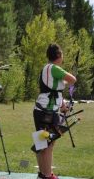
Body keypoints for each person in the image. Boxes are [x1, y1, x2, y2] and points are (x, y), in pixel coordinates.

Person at [33, 43, 77, 179]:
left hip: (42, 111)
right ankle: (47, 175)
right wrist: (67, 81)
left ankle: (43, 174)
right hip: (46, 113)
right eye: (62, 54)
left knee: (42, 144)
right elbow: (73, 79)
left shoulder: (47, 68)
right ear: (58, 56)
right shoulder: (54, 68)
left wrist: (63, 105)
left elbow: (54, 91)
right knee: (48, 144)